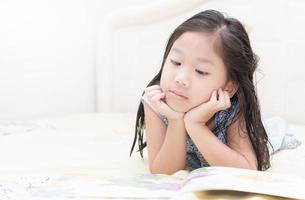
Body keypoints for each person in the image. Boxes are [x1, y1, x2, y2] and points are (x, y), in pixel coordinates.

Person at [130, 9, 271, 175]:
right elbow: (162, 172)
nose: (180, 79)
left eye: (201, 71)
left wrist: (196, 125)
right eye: (175, 62)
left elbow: (247, 171)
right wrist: (176, 121)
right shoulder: (156, 102)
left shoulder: (232, 108)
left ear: (229, 87)